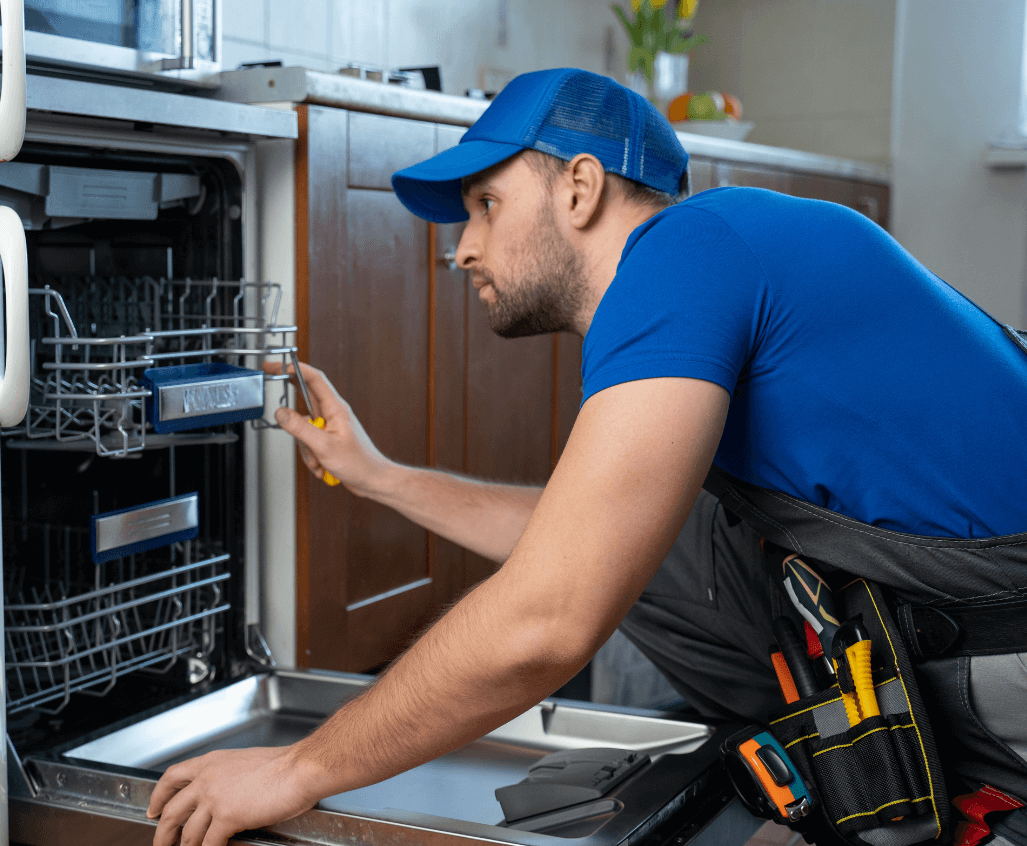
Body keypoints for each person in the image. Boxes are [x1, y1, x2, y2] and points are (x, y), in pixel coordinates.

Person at [146, 68, 1027, 846]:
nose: (462, 249)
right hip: (947, 599)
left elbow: (551, 617)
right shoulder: (717, 253)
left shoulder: (686, 254)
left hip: (1005, 651)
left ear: (579, 186)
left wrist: (297, 769)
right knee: (662, 546)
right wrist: (377, 474)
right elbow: (583, 539)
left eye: (486, 205)